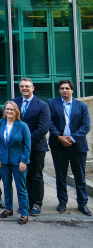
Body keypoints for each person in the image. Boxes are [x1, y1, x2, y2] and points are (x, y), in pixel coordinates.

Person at [48, 80, 91, 216]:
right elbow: (48, 122)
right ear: (59, 90)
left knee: (80, 176)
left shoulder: (82, 106)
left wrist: (72, 138)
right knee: (60, 175)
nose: (64, 90)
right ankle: (62, 202)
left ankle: (82, 204)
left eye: (67, 88)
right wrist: (59, 137)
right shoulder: (52, 103)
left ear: (72, 90)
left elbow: (86, 126)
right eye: (62, 88)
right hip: (58, 145)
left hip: (77, 145)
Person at [14, 77, 51, 216]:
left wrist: (26, 142)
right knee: (23, 176)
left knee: (36, 176)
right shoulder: (15, 102)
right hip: (17, 147)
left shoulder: (42, 105)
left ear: (33, 88)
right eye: (22, 86)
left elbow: (43, 129)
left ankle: (36, 203)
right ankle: (25, 203)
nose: (24, 88)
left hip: (36, 147)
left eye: (27, 86)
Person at [0, 100, 31, 224]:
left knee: (21, 188)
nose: (9, 111)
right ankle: (8, 209)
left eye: (11, 109)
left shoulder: (22, 125)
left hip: (18, 161)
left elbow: (27, 145)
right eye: (7, 109)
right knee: (6, 185)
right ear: (4, 111)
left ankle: (24, 213)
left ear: (16, 112)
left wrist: (24, 161)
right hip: (3, 160)